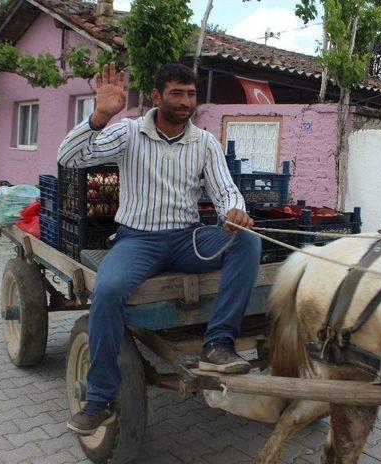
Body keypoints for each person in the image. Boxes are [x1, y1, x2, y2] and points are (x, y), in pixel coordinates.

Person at [58, 62, 261, 436]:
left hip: (188, 238)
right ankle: (100, 398)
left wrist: (235, 211)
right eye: (176, 93)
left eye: (191, 94)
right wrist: (100, 116)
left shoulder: (203, 142)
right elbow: (69, 158)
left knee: (247, 242)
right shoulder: (129, 133)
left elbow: (225, 189)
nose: (185, 102)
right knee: (108, 289)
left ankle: (218, 345)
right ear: (156, 96)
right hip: (138, 239)